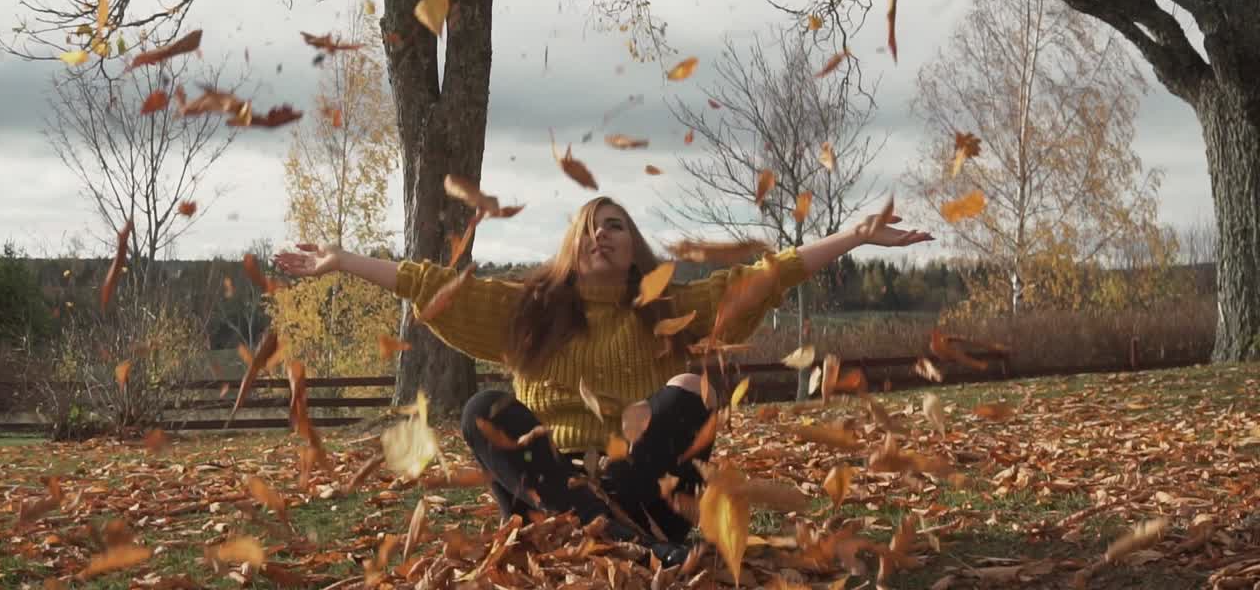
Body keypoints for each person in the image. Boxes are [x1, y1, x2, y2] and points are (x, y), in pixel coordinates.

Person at [274, 196, 931, 566]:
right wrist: (343, 260)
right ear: (569, 247)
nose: (600, 235)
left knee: (695, 389)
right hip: (546, 494)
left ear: (634, 243)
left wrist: (848, 236)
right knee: (484, 405)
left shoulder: (668, 308)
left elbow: (761, 277)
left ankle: (624, 535)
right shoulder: (527, 312)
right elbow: (432, 286)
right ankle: (626, 545)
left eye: (614, 225)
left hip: (641, 487)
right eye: (588, 228)